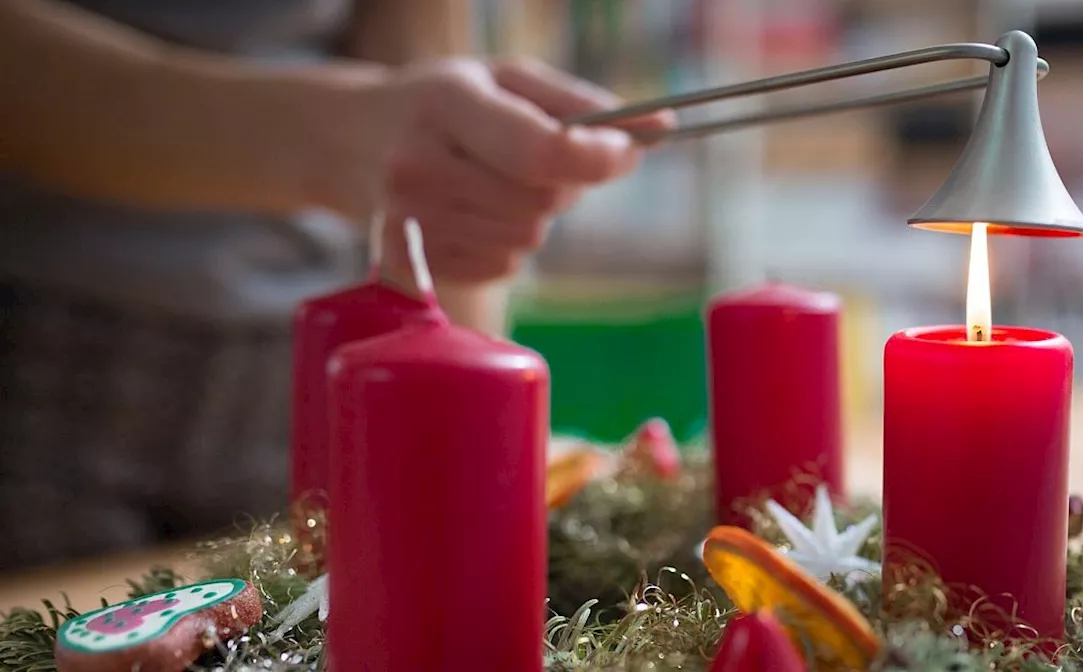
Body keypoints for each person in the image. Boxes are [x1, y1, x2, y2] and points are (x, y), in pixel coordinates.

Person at [0, 0, 672, 570]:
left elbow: (416, 52)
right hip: (37, 361)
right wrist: (335, 137)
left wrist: (480, 449)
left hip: (306, 375)